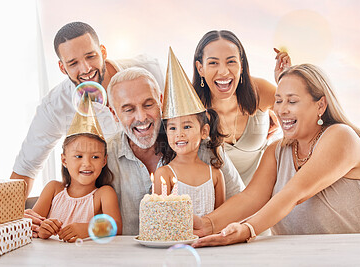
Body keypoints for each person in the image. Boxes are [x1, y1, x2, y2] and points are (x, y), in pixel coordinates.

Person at [192, 64, 360, 248]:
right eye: (278, 101)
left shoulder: (341, 136)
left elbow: (294, 193)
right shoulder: (276, 151)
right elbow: (250, 198)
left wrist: (248, 229)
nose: (281, 110)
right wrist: (206, 224)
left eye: (292, 101)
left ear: (321, 105)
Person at [10, 21, 164, 197]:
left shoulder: (150, 71)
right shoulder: (55, 106)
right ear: (62, 67)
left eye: (91, 56)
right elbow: (27, 167)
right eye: (73, 63)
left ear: (103, 52)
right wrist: (7, 219)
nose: (86, 69)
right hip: (106, 203)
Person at [106, 66, 245, 235]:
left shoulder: (202, 146)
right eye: (129, 110)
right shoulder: (105, 155)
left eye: (148, 104)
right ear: (114, 114)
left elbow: (240, 203)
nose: (141, 117)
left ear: (161, 102)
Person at [193, 30, 290, 186]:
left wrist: (285, 80)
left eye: (231, 61)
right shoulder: (190, 107)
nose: (223, 71)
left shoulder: (259, 91)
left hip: (263, 195)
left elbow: (301, 114)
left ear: (242, 65)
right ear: (200, 68)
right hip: (216, 202)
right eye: (213, 63)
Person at [32, 96, 122, 242]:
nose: (87, 163)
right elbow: (31, 224)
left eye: (95, 157)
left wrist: (88, 229)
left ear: (104, 161)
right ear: (64, 160)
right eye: (78, 156)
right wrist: (42, 229)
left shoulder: (103, 194)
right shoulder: (53, 189)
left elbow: (116, 227)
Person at [153, 48, 225, 216]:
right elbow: (159, 221)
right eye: (172, 128)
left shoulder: (215, 175)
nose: (179, 134)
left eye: (187, 126)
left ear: (204, 131)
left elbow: (221, 217)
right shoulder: (164, 175)